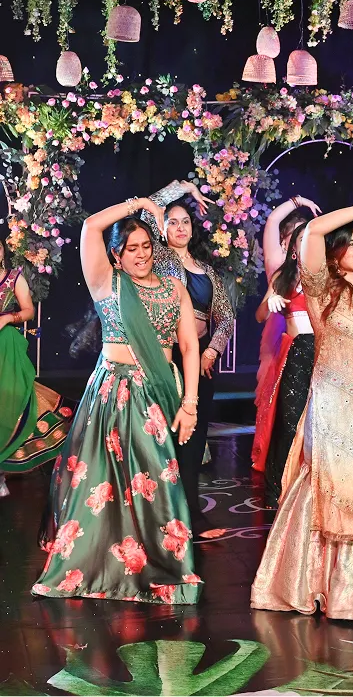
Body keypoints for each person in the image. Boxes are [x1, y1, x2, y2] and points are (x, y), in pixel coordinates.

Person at [33, 197, 202, 602]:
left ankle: (165, 568)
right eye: (131, 248)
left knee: (158, 482)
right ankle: (98, 567)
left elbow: (189, 346)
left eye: (146, 246)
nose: (141, 255)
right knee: (101, 482)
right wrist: (139, 204)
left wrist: (190, 404)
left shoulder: (174, 289)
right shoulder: (106, 281)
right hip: (112, 392)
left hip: (157, 394)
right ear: (116, 255)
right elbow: (91, 225)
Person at [251, 199, 353, 622]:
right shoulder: (320, 286)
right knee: (333, 489)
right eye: (351, 243)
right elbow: (313, 232)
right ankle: (326, 587)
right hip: (337, 404)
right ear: (332, 253)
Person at [140, 179, 235, 540]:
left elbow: (225, 317)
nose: (180, 228)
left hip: (201, 360)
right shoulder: (158, 257)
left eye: (185, 222)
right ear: (162, 228)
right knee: (162, 435)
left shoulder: (207, 271)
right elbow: (148, 206)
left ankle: (192, 515)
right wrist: (184, 188)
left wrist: (212, 350)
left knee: (194, 439)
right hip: (165, 357)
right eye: (173, 222)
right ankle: (160, 516)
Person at [0, 240, 73, 497]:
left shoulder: (12, 278)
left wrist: (7, 318)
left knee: (9, 401)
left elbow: (29, 311)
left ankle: (1, 471)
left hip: (5, 346)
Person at [252, 196, 319, 473]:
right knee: (284, 410)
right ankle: (282, 467)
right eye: (297, 238)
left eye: (308, 237)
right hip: (288, 346)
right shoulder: (281, 272)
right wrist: (269, 303)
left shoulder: (321, 273)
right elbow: (260, 315)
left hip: (317, 349)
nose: (302, 243)